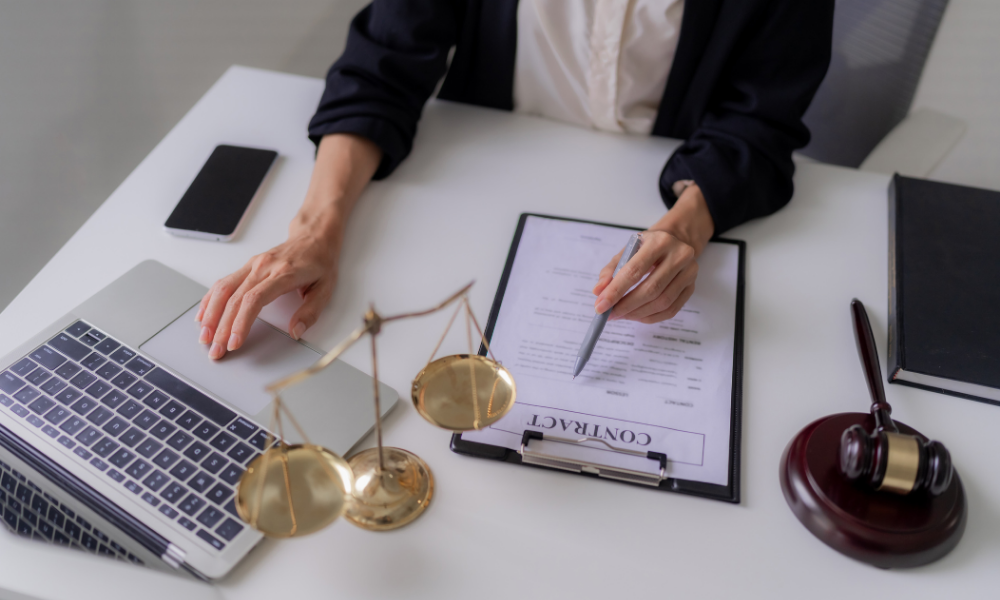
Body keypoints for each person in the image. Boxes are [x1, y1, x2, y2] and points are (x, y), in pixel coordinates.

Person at [196, 0, 834, 359]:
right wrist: (317, 228)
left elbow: (760, 122)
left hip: (649, 195)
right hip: (479, 189)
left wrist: (685, 228)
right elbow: (379, 71)